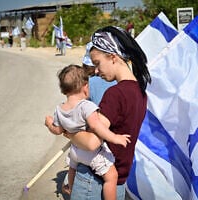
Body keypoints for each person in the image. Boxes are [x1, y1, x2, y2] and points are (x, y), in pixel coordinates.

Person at [63, 26, 151, 200]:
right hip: (118, 180)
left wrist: (67, 131)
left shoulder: (115, 93)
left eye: (97, 63)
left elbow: (91, 143)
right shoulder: (141, 91)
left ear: (112, 57)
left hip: (93, 180)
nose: (95, 70)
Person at [45, 64, 130, 200]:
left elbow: (58, 130)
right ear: (85, 87)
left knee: (72, 169)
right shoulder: (86, 106)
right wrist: (114, 137)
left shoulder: (59, 109)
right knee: (112, 176)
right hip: (90, 154)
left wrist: (49, 123)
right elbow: (96, 126)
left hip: (74, 152)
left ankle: (71, 188)